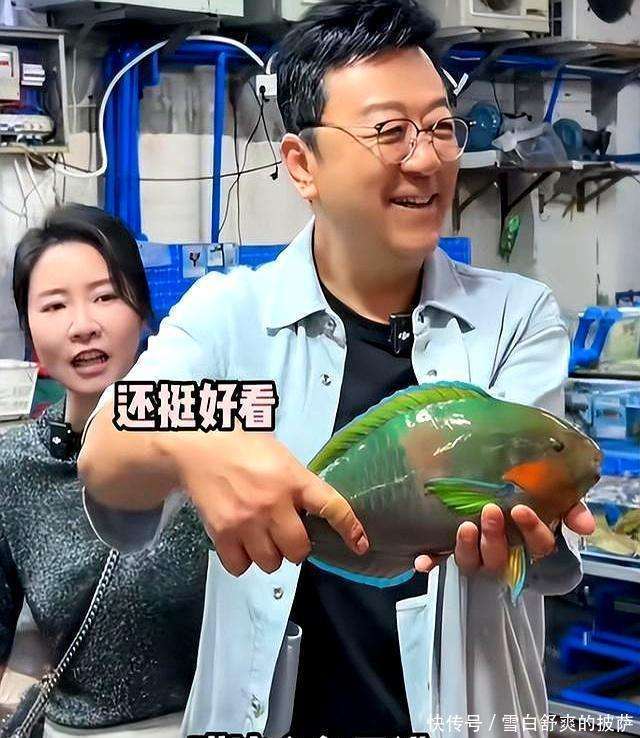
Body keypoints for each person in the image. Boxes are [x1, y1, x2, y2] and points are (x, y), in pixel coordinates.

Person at [78, 2, 596, 736]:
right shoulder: (235, 321)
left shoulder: (513, 316)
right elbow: (109, 445)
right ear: (303, 165)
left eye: (440, 127)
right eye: (390, 132)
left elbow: (530, 504)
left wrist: (525, 525)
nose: (426, 159)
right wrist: (193, 449)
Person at [0, 205, 210, 738]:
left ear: (142, 310)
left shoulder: (210, 438)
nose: (83, 326)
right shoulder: (14, 466)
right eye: (54, 305)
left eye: (105, 296)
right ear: (29, 328)